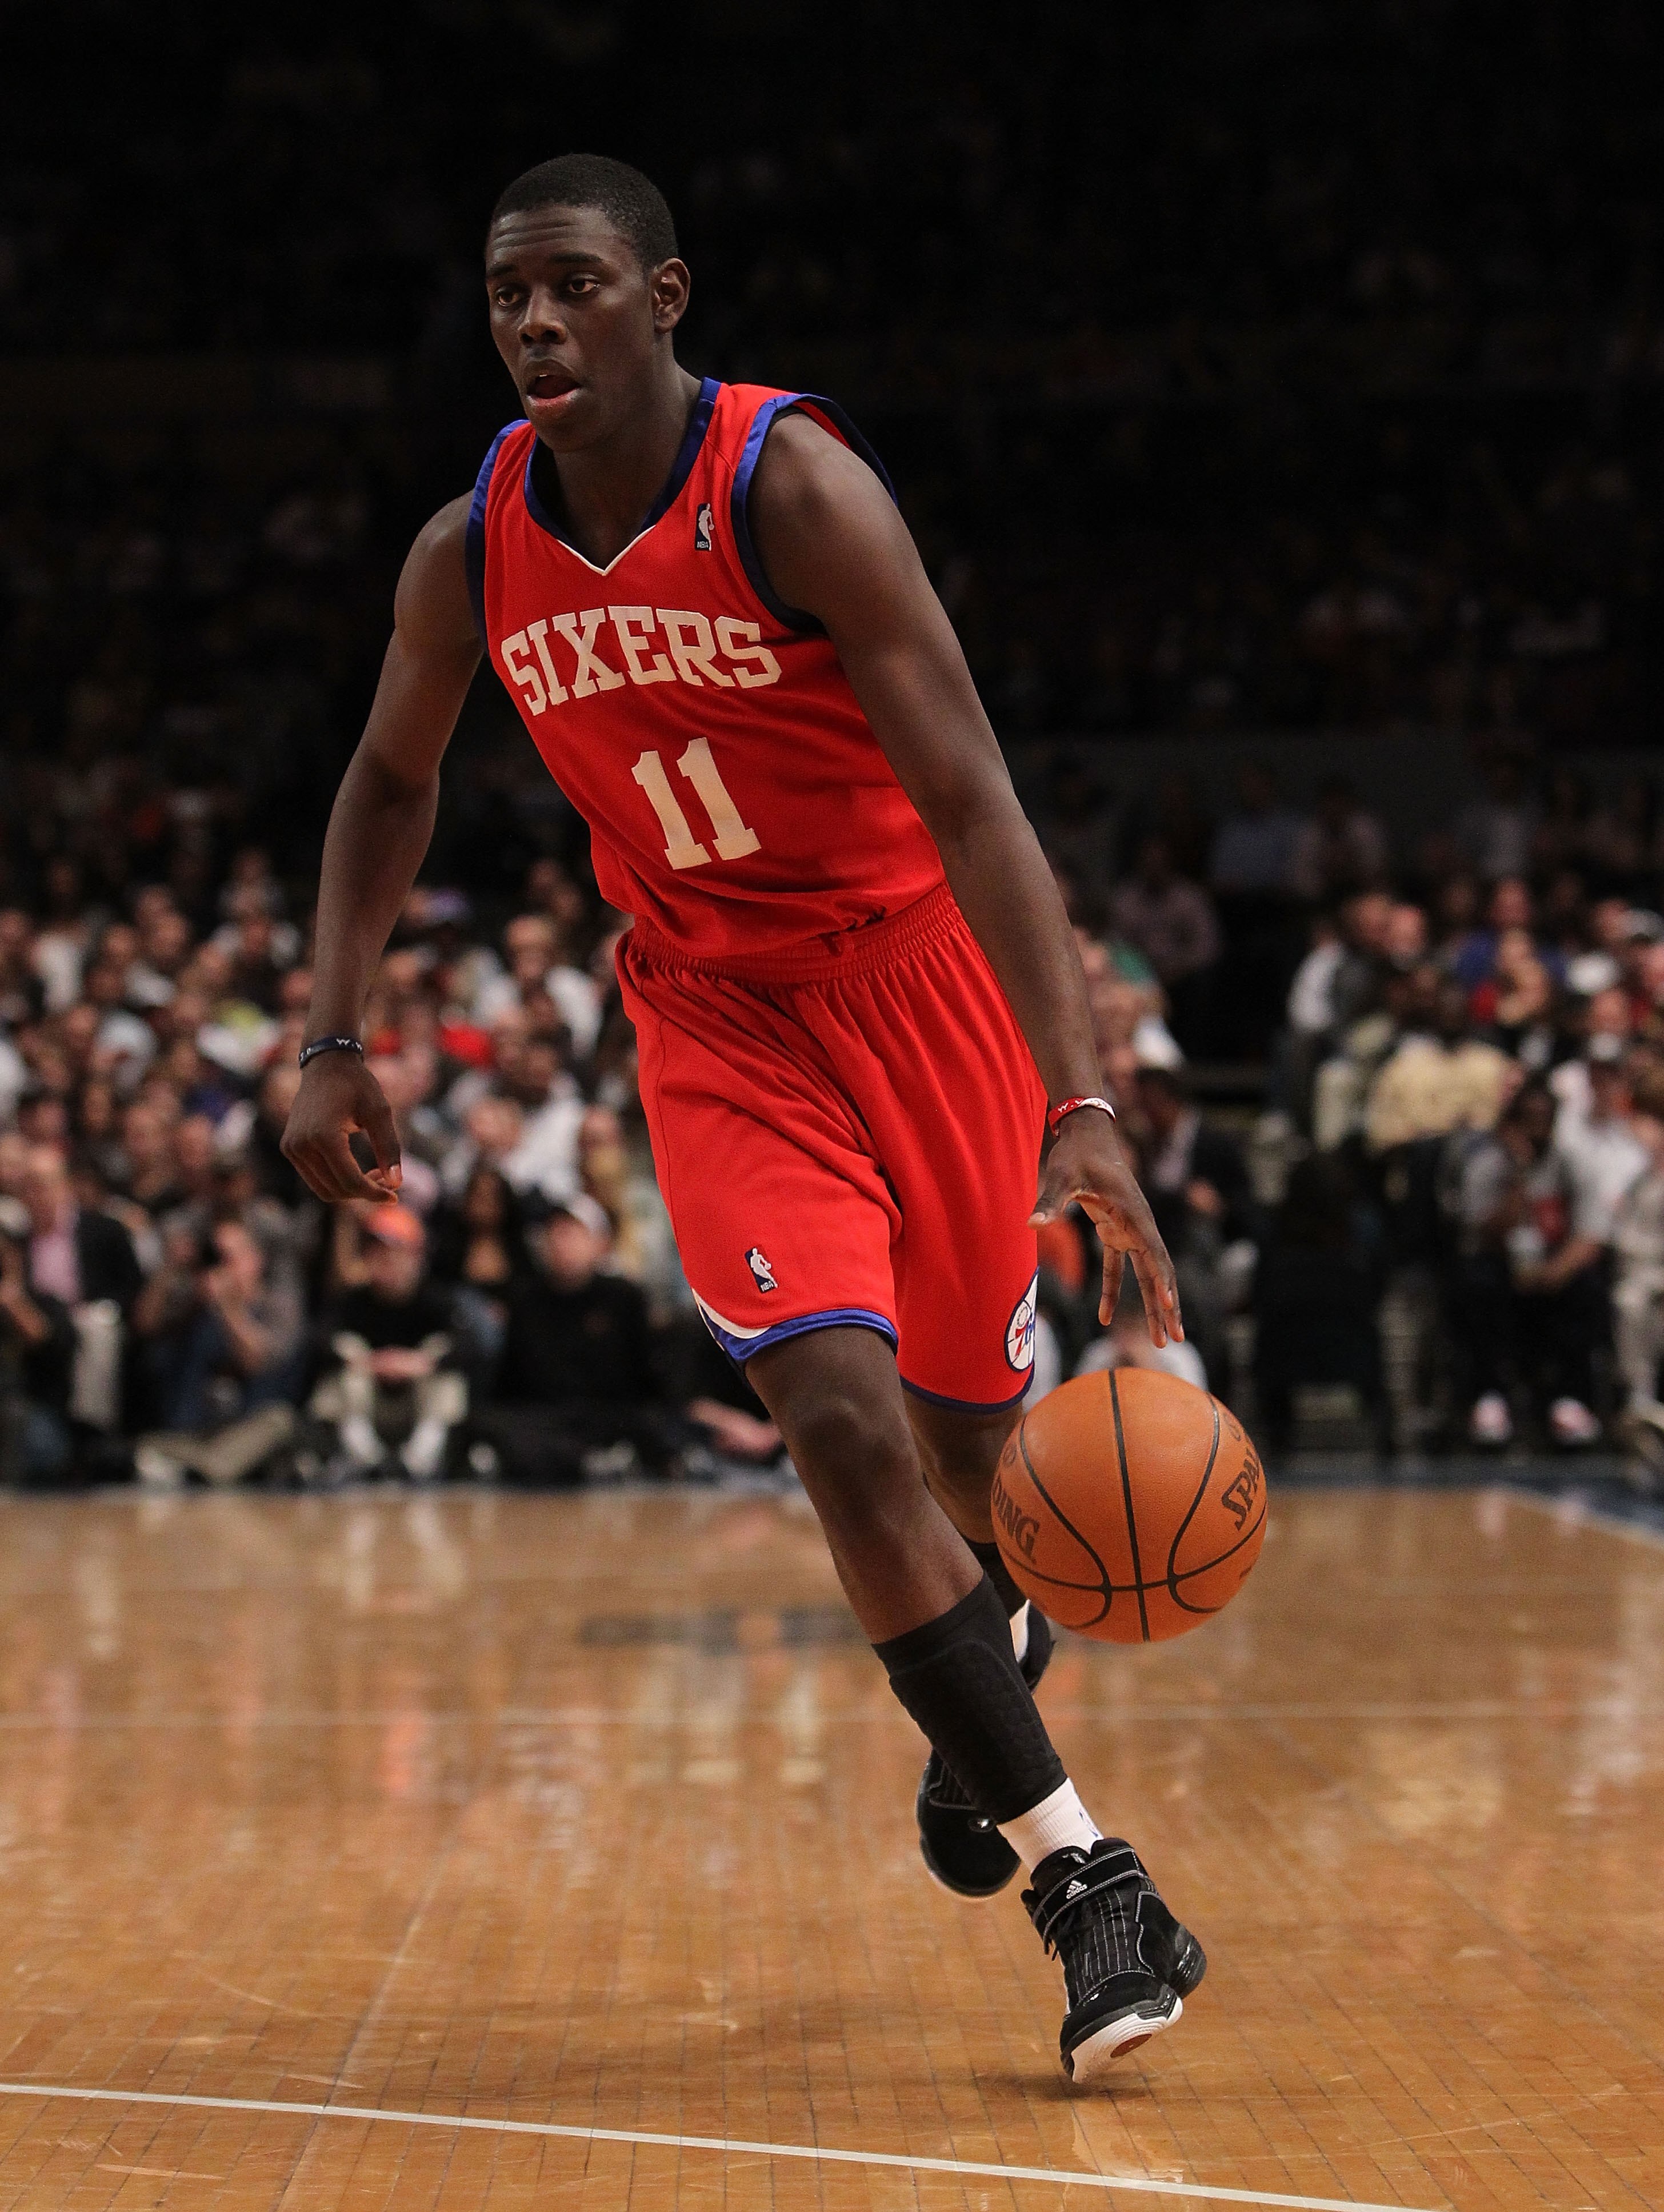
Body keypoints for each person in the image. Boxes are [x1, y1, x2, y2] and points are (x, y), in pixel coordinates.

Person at [279, 153, 1198, 2079]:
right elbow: (385, 781)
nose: (537, 322)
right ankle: (1089, 1881)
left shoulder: (795, 490)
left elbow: (978, 805)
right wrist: (330, 1031)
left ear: (666, 294)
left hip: (919, 984)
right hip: (714, 1018)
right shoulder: (471, 548)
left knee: (966, 1448)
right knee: (839, 1423)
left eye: (576, 286)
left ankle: (994, 1657)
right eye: (510, 293)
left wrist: (1081, 1096)